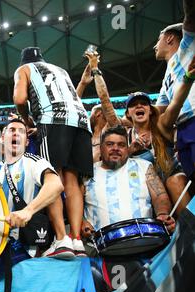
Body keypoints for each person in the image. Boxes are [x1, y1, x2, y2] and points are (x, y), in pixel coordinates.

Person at [0, 119, 65, 292]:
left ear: (26, 141)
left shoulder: (34, 161)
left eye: (20, 131)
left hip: (21, 243)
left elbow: (56, 184)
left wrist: (28, 211)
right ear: (3, 137)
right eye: (11, 130)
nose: (15, 133)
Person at [13, 47, 93, 257]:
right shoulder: (61, 70)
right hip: (82, 122)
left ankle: (61, 240)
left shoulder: (24, 69)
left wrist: (26, 119)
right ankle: (76, 240)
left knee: (53, 178)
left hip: (53, 119)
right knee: (72, 181)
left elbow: (20, 100)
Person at [82, 126, 176, 242]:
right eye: (110, 144)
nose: (115, 148)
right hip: (99, 247)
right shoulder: (86, 173)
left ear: (127, 148)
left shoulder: (144, 166)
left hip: (145, 242)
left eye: (121, 145)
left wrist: (162, 213)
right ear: (101, 148)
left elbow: (160, 196)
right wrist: (82, 222)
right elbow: (73, 205)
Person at [154, 0, 195, 183]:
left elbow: (191, 15)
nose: (155, 45)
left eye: (158, 39)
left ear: (170, 38)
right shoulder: (166, 78)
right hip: (182, 131)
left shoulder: (188, 48)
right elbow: (156, 113)